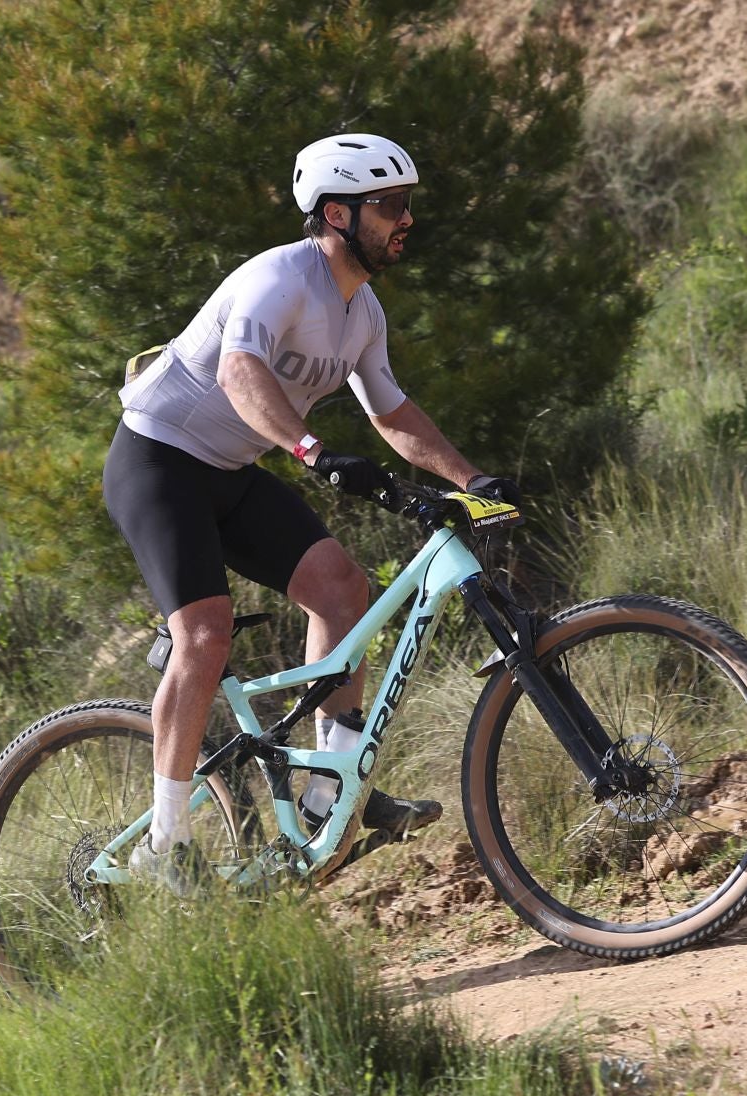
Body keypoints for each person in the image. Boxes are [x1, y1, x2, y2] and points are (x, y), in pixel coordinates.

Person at [103, 133, 521, 890]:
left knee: (341, 588)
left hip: (228, 471)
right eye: (390, 205)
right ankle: (162, 845)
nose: (406, 219)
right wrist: (312, 450)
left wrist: (474, 480)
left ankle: (330, 794)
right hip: (158, 461)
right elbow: (238, 372)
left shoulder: (363, 311)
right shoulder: (279, 278)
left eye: (406, 204)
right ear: (337, 214)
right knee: (204, 633)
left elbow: (391, 412)